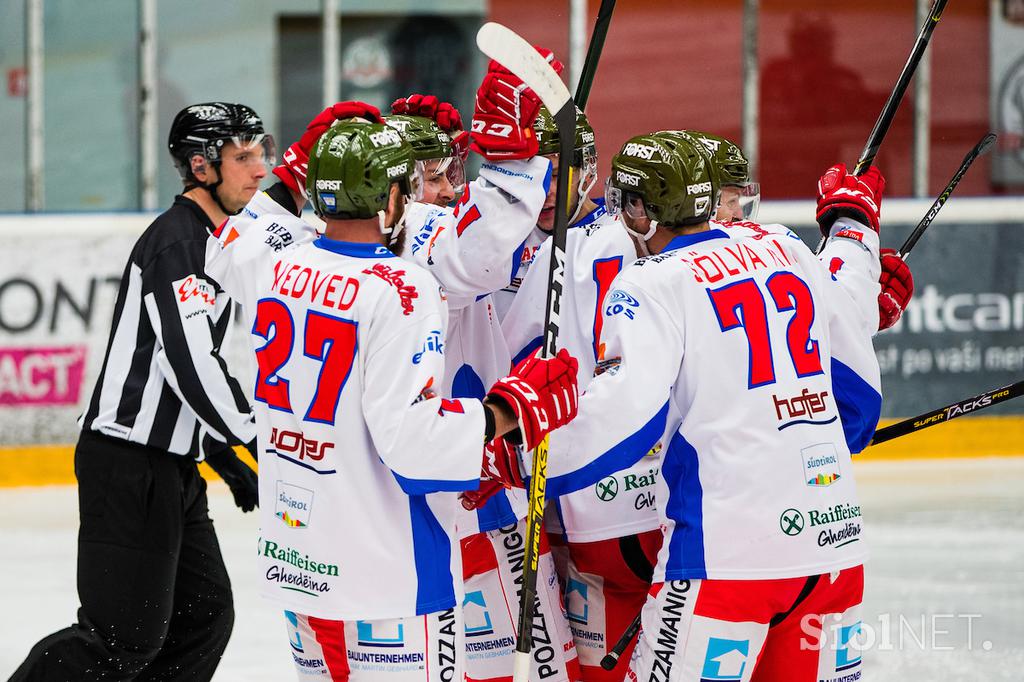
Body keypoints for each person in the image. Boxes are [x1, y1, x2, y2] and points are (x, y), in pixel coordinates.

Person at [205, 111, 580, 682]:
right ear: (390, 196)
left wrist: (298, 180)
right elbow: (412, 443)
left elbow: (234, 245)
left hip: (298, 556)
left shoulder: (277, 265)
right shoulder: (403, 290)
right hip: (385, 564)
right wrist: (508, 413)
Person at [537, 130, 885, 681]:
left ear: (640, 210)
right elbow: (861, 401)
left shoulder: (651, 283)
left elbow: (620, 424)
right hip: (833, 549)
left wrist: (524, 462)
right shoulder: (786, 247)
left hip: (723, 559)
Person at [10, 102, 269, 681]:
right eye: (244, 157)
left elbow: (175, 368)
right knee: (120, 638)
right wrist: (261, 439)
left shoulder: (215, 239)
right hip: (129, 466)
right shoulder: (177, 244)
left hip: (172, 467)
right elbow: (190, 362)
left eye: (261, 154)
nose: (260, 170)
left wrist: (221, 456)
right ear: (202, 167)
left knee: (202, 618)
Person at [389, 85, 583, 682]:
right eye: (434, 175)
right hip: (460, 490)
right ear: (392, 190)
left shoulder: (366, 243)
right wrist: (518, 162)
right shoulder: (411, 240)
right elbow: (474, 255)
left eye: (456, 170)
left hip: (471, 484)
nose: (451, 188)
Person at [500, 108, 669, 682]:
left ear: (591, 171)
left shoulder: (577, 249)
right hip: (619, 494)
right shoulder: (652, 233)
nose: (546, 189)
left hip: (598, 495)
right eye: (532, 175)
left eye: (558, 172)